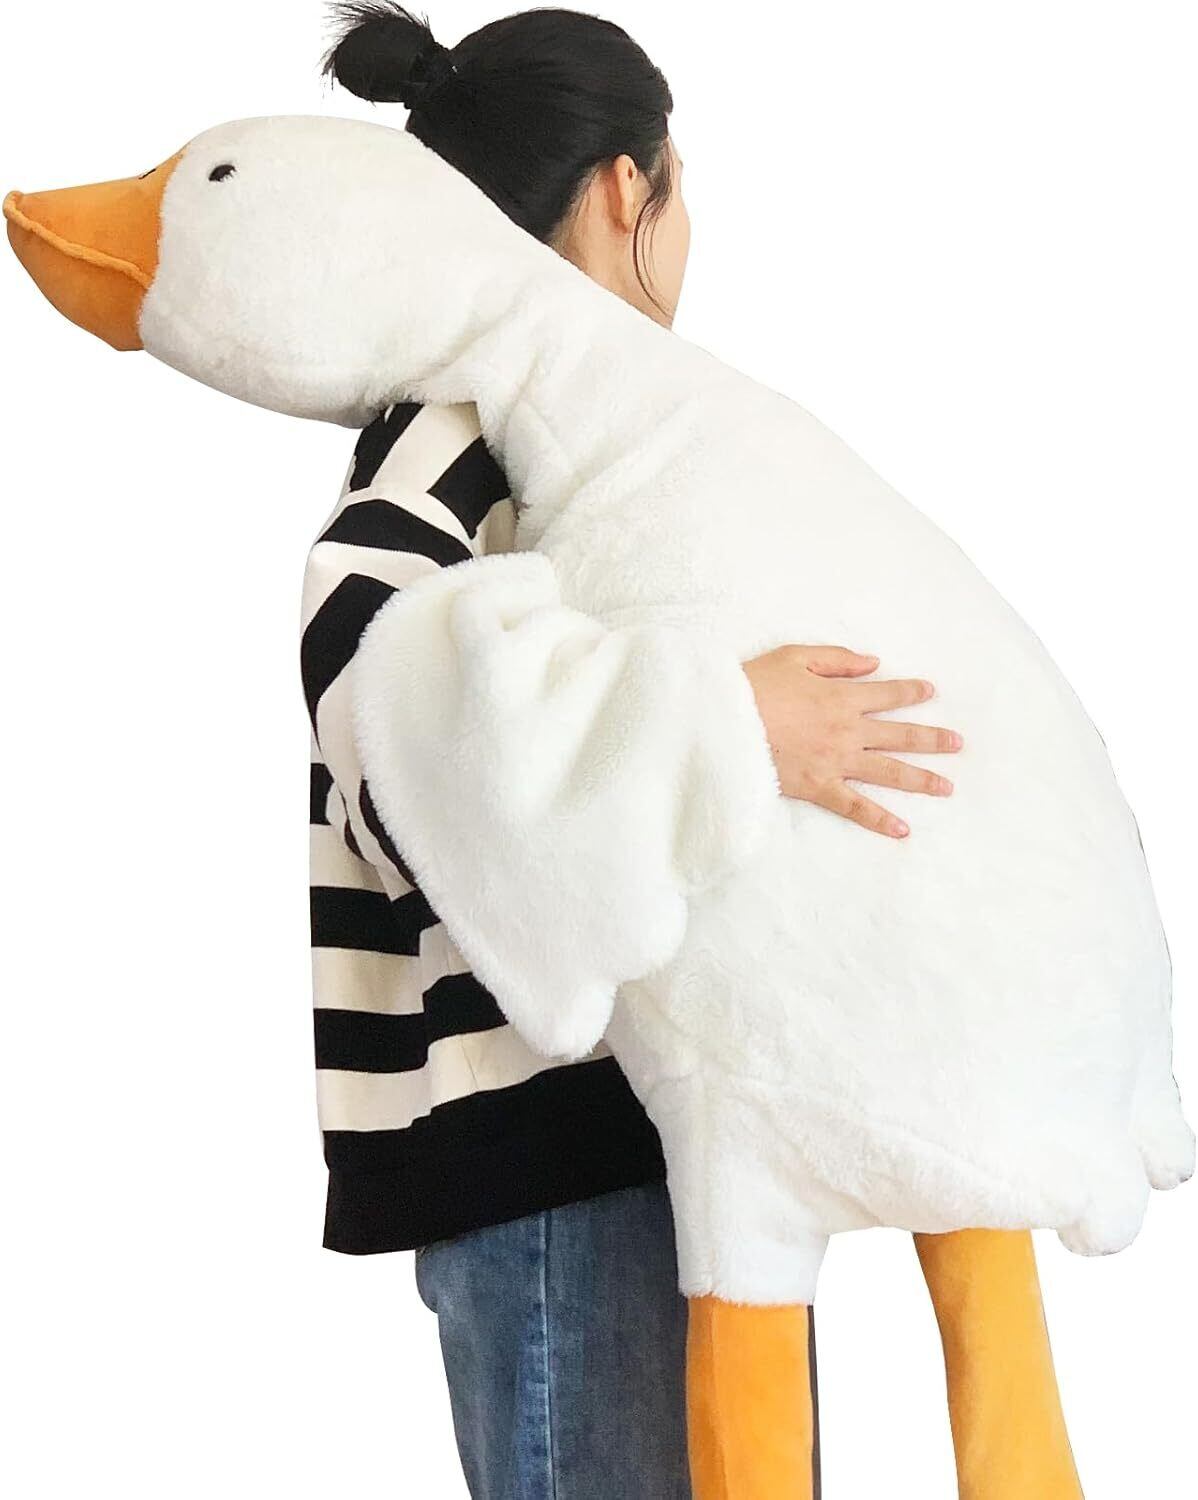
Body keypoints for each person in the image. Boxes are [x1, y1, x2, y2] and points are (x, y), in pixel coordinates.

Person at [306, 7, 962, 1497]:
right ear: (626, 188)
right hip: (555, 1150)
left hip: (655, 1139)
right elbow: (372, 690)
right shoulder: (459, 432)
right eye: (682, 185)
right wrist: (728, 720)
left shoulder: (603, 435)